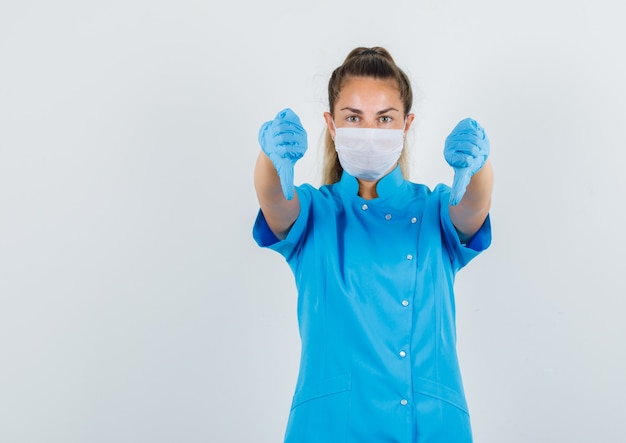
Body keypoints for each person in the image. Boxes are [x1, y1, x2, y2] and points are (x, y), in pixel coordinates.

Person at [252, 46, 493, 443]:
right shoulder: (317, 212)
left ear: (406, 124)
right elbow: (276, 201)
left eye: (384, 118)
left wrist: (479, 166)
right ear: (331, 124)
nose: (369, 131)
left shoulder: (435, 209)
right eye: (353, 118)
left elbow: (472, 209)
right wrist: (268, 155)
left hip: (430, 425)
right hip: (331, 427)